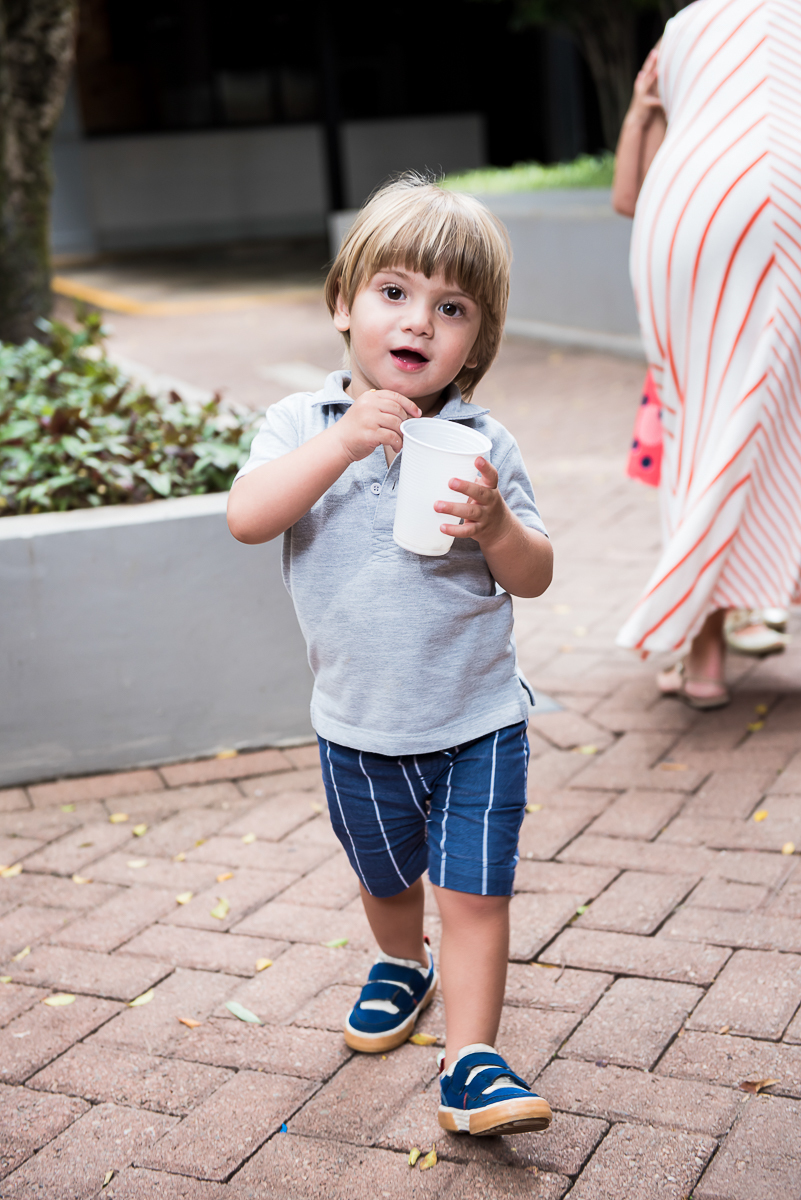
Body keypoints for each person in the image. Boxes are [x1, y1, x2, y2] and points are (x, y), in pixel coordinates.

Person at [227, 175, 554, 1137]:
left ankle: (471, 1063)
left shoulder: (483, 442)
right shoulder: (300, 424)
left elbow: (534, 574)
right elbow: (248, 517)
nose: (419, 321)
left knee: (474, 894)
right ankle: (400, 964)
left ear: (476, 343)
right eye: (395, 292)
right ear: (344, 302)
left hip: (477, 717)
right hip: (357, 725)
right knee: (385, 880)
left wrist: (494, 524)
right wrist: (341, 445)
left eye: (451, 309)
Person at [612, 0, 801, 707]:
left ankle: (704, 659)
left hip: (697, 215)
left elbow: (632, 199)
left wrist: (641, 110)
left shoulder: (686, 36)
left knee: (699, 431)